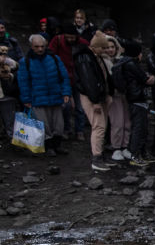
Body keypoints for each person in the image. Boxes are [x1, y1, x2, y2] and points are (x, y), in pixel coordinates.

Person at [17, 33, 71, 156]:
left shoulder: (54, 59)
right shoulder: (26, 62)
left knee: (58, 124)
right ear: (31, 46)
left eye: (42, 46)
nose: (40, 49)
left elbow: (64, 77)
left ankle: (57, 145)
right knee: (44, 125)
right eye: (37, 47)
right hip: (38, 98)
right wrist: (26, 99)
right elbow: (23, 82)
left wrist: (66, 92)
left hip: (55, 96)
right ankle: (49, 147)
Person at [72, 30, 114, 172]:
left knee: (102, 126)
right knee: (99, 126)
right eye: (103, 47)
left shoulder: (95, 56)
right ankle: (97, 158)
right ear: (95, 46)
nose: (106, 50)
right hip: (92, 97)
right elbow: (89, 81)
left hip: (99, 96)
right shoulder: (85, 58)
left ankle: (100, 155)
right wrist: (95, 101)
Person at [115, 41, 155, 166]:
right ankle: (135, 154)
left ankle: (142, 153)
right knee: (139, 128)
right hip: (137, 99)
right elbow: (145, 79)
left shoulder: (124, 63)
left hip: (135, 99)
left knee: (142, 128)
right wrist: (151, 78)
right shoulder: (131, 64)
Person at [48, 23, 88, 139]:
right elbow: (51, 56)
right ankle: (67, 128)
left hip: (78, 79)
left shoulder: (82, 43)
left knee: (80, 107)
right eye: (68, 37)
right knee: (66, 106)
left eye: (72, 37)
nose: (70, 39)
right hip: (63, 79)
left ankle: (79, 130)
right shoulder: (57, 41)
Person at [104, 35, 131, 161]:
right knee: (117, 122)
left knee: (127, 121)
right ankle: (116, 148)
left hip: (124, 94)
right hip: (113, 95)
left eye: (112, 47)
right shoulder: (103, 62)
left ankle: (125, 146)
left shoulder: (122, 61)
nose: (110, 50)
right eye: (107, 47)